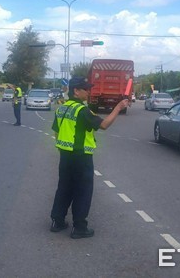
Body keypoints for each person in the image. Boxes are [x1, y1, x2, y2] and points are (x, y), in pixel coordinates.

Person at [50, 77, 129, 239]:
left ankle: (57, 222)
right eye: (85, 89)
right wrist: (118, 107)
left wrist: (62, 148)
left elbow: (56, 132)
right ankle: (79, 227)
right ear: (76, 91)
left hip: (65, 155)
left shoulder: (62, 108)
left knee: (64, 187)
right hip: (81, 157)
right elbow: (104, 125)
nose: (88, 91)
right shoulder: (82, 111)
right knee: (83, 191)